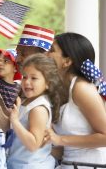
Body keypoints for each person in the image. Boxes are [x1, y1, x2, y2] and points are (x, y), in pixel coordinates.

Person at [0, 53, 65, 169]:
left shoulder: (39, 109)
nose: (27, 82)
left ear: (48, 83)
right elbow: (10, 128)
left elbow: (33, 144)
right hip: (18, 163)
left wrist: (15, 121)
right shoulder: (28, 101)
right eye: (25, 77)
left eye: (34, 78)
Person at [45, 32, 106, 168]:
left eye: (52, 51)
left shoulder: (82, 88)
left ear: (67, 61)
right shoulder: (61, 88)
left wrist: (59, 139)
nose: (46, 55)